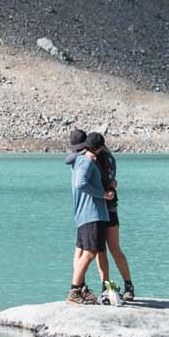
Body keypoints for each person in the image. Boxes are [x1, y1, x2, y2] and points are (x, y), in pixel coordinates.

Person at [65, 129, 111, 304]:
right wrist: (103, 194)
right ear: (98, 148)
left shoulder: (79, 160)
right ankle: (75, 290)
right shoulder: (86, 162)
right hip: (92, 213)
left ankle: (79, 288)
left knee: (86, 251)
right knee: (91, 253)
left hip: (85, 214)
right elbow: (81, 183)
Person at [90, 133, 136, 302]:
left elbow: (106, 182)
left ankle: (126, 285)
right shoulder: (102, 157)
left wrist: (109, 186)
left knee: (111, 249)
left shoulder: (102, 158)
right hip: (102, 207)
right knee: (103, 250)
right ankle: (108, 286)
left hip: (107, 207)